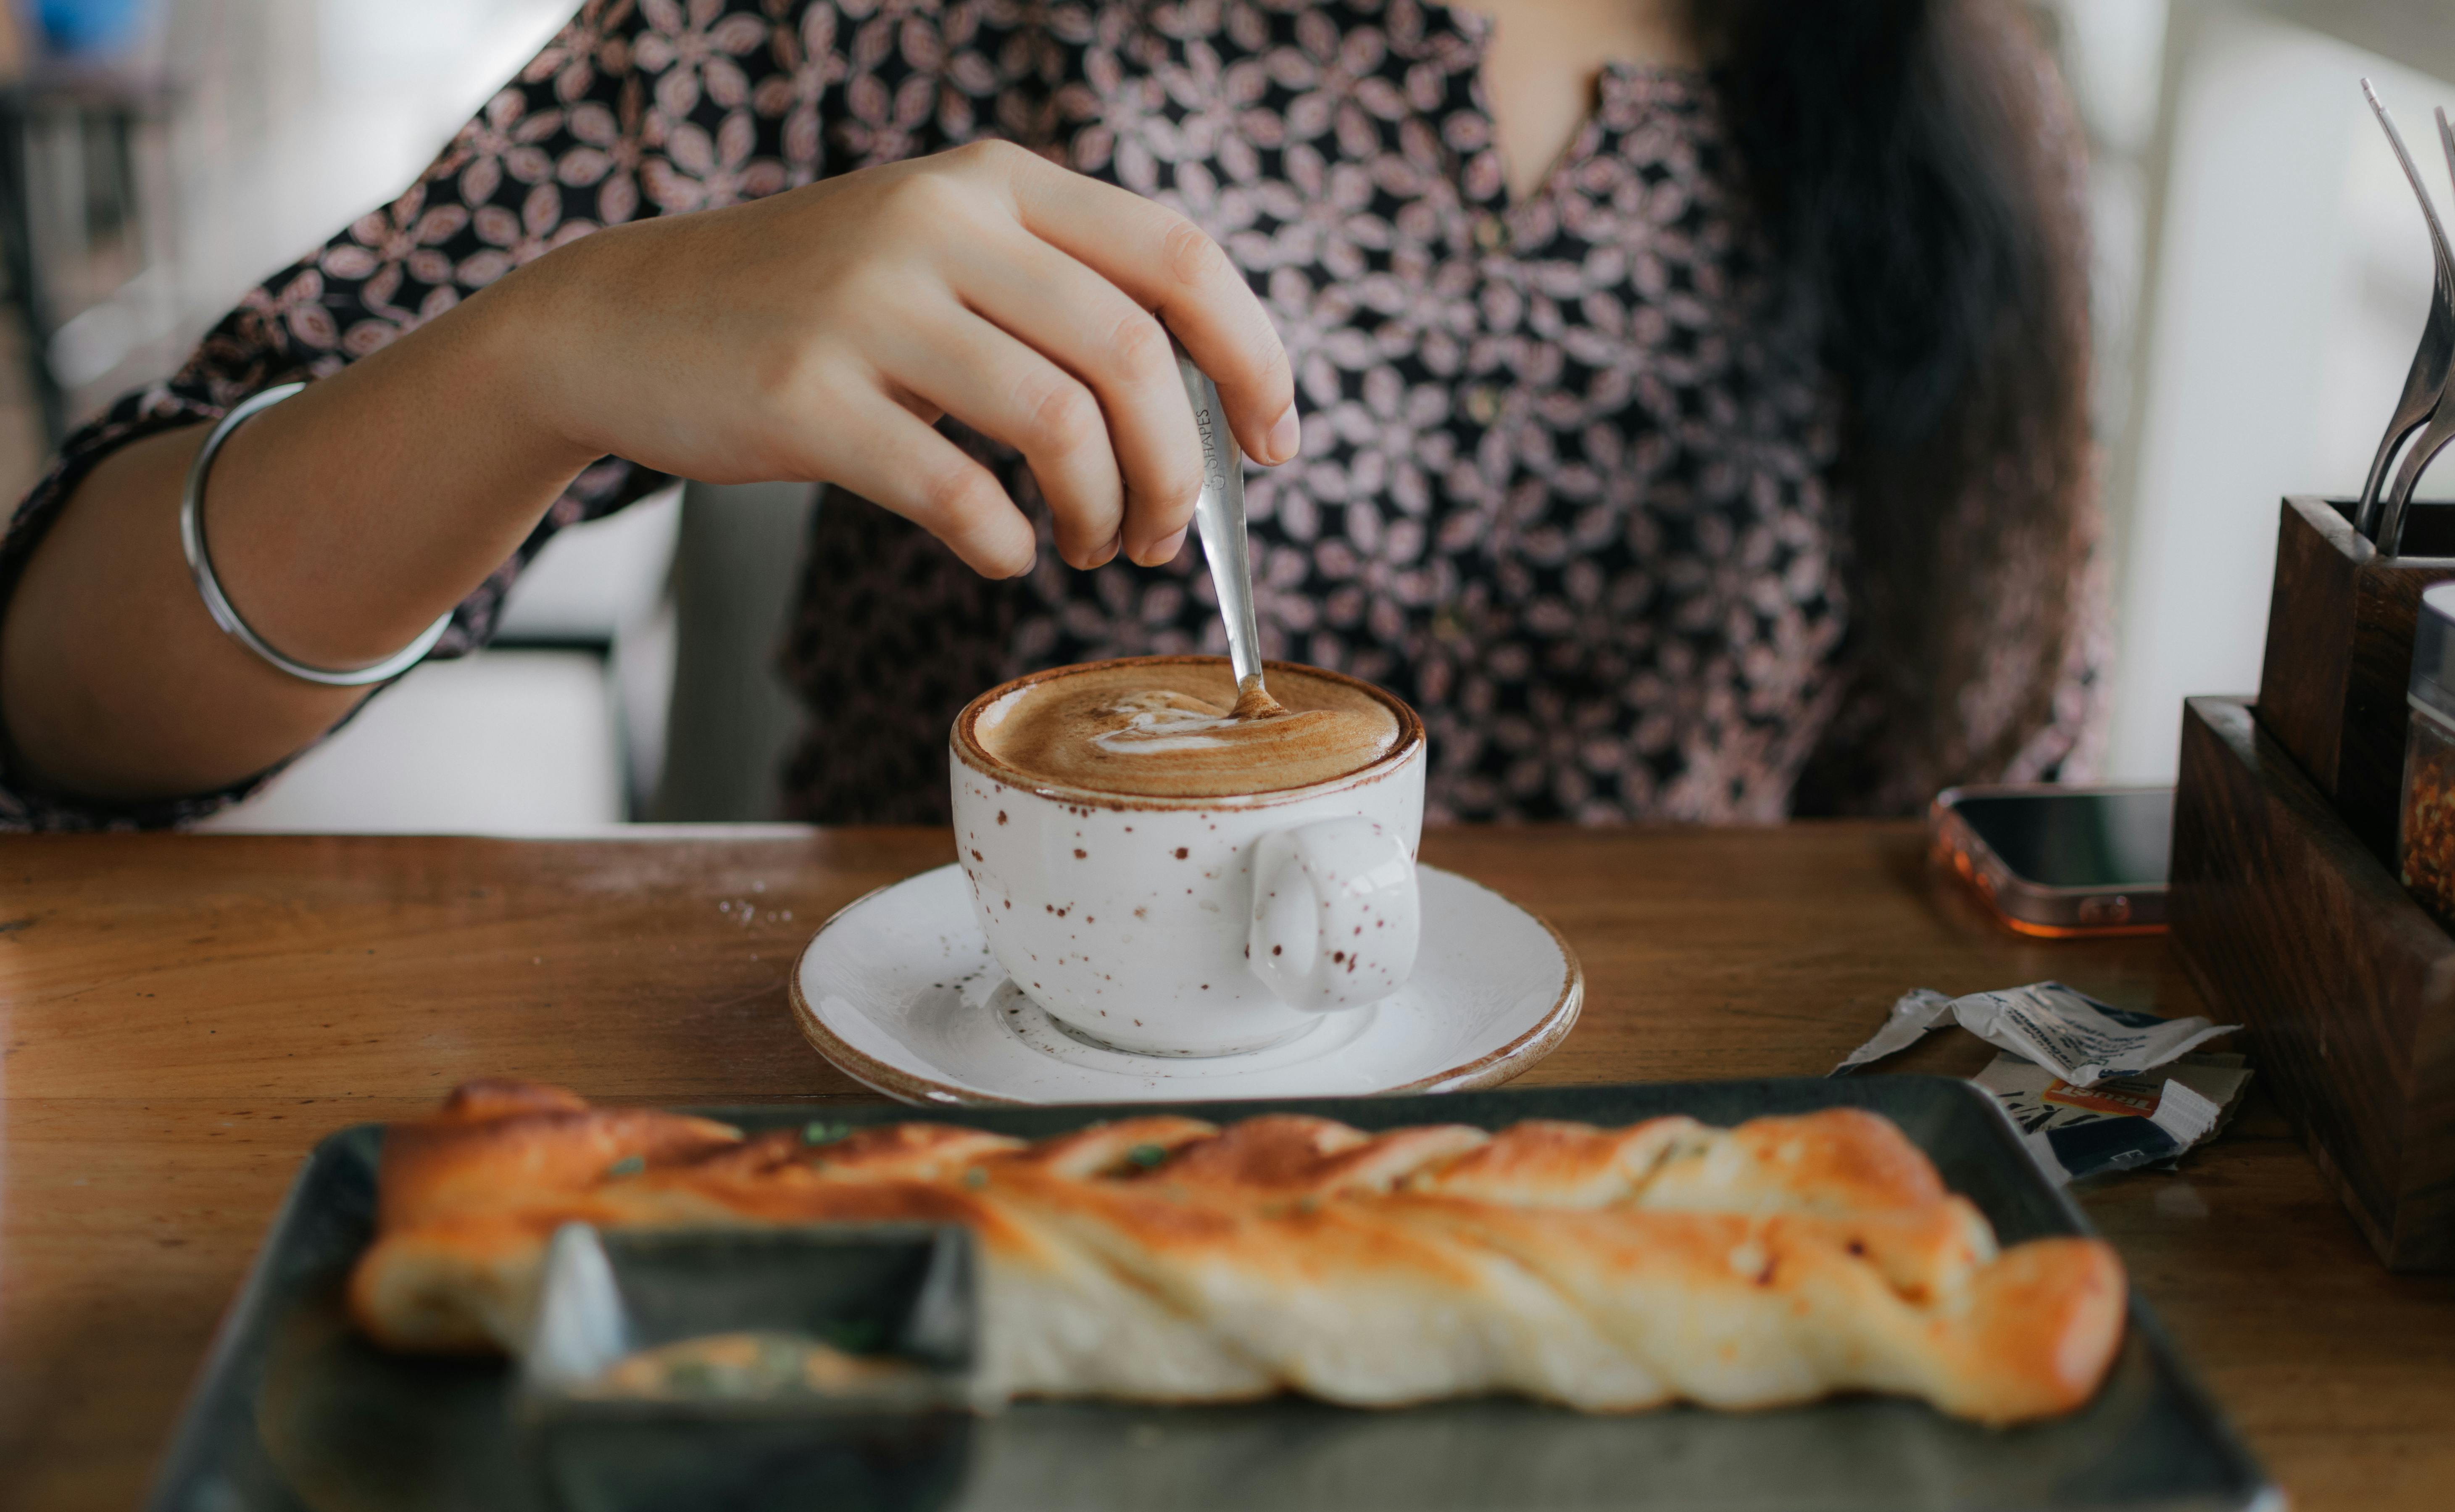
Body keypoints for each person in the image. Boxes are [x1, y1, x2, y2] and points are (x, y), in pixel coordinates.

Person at [0, 0, 2095, 831]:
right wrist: (547, 344)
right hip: (945, 1248)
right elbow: (67, 696)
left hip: (1658, 1270)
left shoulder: (1970, 93)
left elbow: (2000, 824)